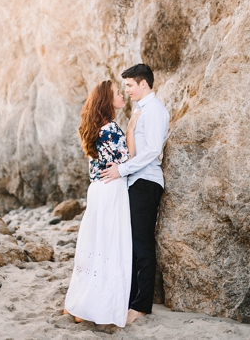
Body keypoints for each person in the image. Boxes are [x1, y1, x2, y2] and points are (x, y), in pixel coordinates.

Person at [63, 80, 140, 327]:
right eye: (118, 93)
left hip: (97, 190)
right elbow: (129, 160)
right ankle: (94, 307)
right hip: (111, 191)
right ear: (108, 101)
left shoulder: (96, 128)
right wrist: (130, 131)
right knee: (109, 248)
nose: (122, 96)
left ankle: (78, 305)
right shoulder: (111, 129)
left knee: (94, 246)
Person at [100, 63, 169, 324]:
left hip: (146, 182)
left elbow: (151, 151)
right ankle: (129, 299)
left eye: (129, 85)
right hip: (134, 182)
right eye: (125, 86)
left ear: (144, 84)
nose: (126, 90)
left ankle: (141, 305)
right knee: (131, 244)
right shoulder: (140, 110)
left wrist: (123, 169)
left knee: (142, 244)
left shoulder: (155, 110)